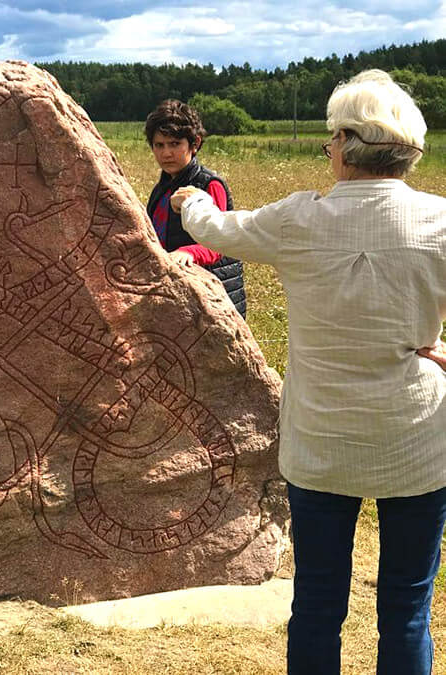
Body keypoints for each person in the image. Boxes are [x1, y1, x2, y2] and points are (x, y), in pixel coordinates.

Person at [170, 70, 446, 674]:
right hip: (420, 437)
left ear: (346, 142)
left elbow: (219, 229)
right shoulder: (441, 222)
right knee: (407, 607)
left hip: (321, 440)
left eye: (329, 139)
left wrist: (187, 198)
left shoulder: (300, 217)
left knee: (318, 601)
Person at [144, 99, 246, 318]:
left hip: (216, 294)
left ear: (195, 143)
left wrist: (186, 252)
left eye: (174, 144)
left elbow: (219, 243)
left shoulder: (209, 184)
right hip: (180, 290)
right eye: (159, 145)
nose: (166, 153)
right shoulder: (160, 189)